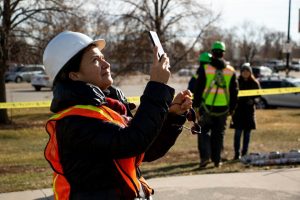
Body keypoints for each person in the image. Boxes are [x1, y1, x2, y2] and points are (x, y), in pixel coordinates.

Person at [43, 31, 193, 200]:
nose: (106, 64)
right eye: (95, 60)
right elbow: (132, 142)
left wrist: (171, 117)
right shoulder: (74, 121)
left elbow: (147, 150)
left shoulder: (107, 109)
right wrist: (157, 87)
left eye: (102, 58)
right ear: (74, 75)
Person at [193, 41, 238, 168]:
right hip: (223, 109)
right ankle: (217, 160)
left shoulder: (205, 69)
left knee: (203, 132)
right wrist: (232, 109)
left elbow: (198, 89)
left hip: (206, 108)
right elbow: (235, 92)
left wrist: (196, 106)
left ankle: (205, 158)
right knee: (219, 135)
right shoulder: (230, 71)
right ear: (223, 53)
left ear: (212, 53)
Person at [231, 63, 260, 160]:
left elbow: (259, 96)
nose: (245, 73)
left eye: (247, 71)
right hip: (238, 112)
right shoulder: (237, 82)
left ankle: (244, 153)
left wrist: (254, 100)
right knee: (237, 134)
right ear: (241, 72)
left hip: (249, 112)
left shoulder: (255, 83)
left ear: (250, 72)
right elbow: (231, 94)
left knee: (247, 134)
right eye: (244, 71)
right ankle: (236, 154)